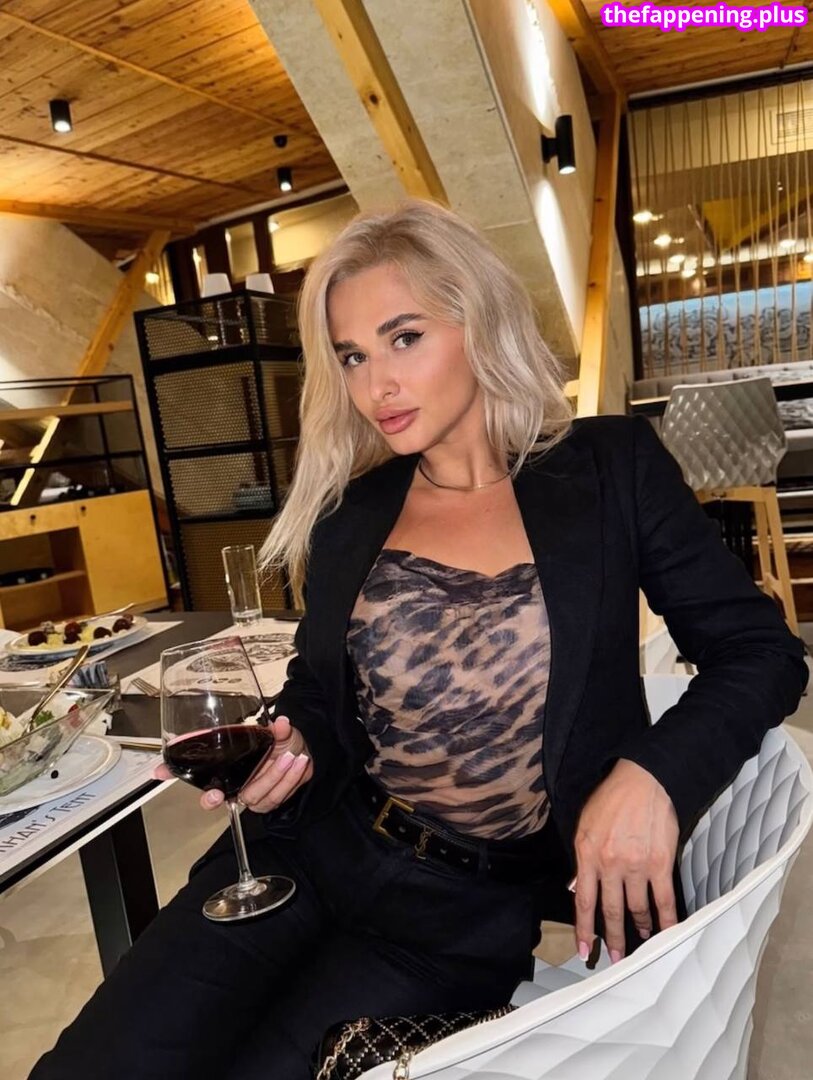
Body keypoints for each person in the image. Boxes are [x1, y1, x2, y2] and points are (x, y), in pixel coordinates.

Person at [32, 200, 808, 1080]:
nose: (376, 387)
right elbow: (321, 689)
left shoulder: (608, 469)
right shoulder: (353, 509)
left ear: (478, 322)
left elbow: (760, 651)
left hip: (458, 917)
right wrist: (292, 745)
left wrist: (650, 775)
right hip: (302, 852)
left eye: (403, 338)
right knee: (99, 1064)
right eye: (352, 356)